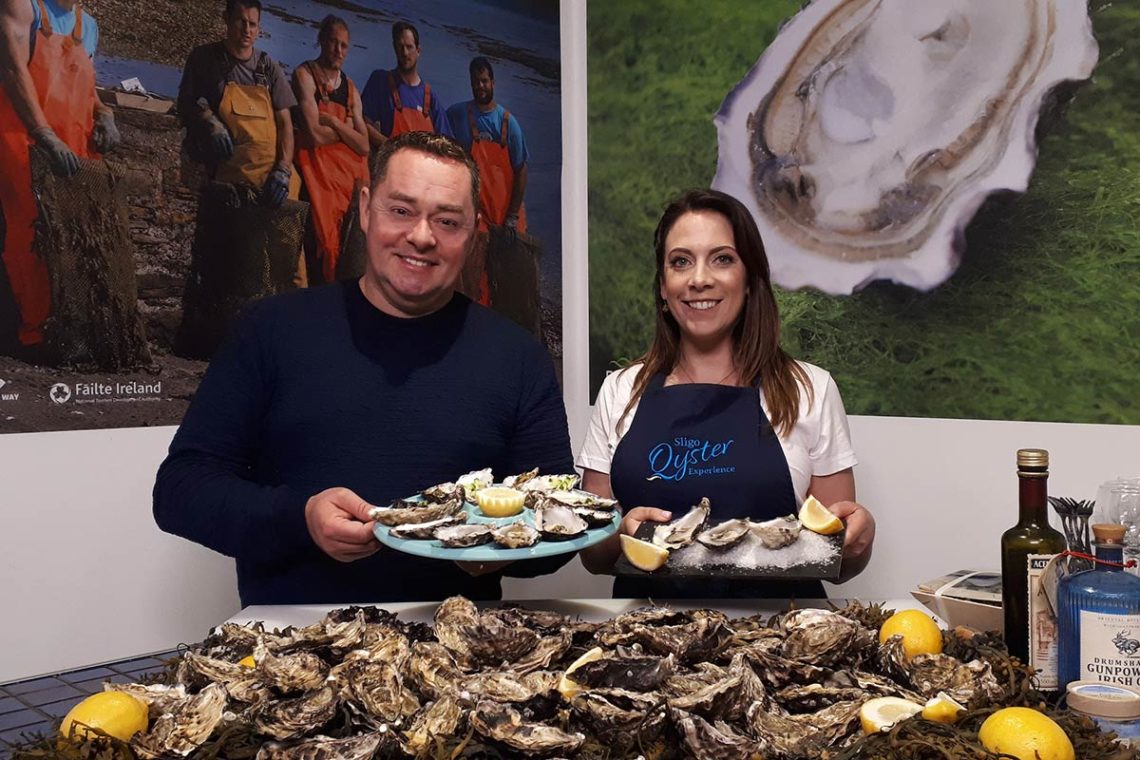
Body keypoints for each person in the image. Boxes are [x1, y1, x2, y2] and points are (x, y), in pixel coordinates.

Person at [153, 132, 573, 606]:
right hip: (295, 644)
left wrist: (497, 552)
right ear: (367, 206)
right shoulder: (270, 330)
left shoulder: (518, 357)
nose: (421, 235)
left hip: (456, 651)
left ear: (474, 233)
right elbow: (180, 491)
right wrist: (301, 517)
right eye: (401, 210)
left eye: (447, 221)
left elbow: (560, 524)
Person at [577, 189, 875, 599]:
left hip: (779, 642)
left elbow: (837, 559)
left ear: (750, 279)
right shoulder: (619, 391)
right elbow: (592, 557)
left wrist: (861, 537)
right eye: (681, 262)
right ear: (663, 287)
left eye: (722, 259)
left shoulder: (810, 389)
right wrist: (620, 538)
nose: (700, 279)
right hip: (647, 642)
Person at [0, 0, 121, 359]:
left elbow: (87, 85)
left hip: (72, 156)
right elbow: (13, 70)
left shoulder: (89, 27)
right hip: (22, 144)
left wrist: (105, 113)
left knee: (72, 240)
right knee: (26, 234)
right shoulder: (22, 7)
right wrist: (44, 134)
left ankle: (63, 329)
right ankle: (27, 335)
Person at [177, 0, 298, 210]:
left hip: (270, 182)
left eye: (253, 24)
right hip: (228, 180)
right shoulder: (205, 58)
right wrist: (209, 121)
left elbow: (285, 124)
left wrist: (284, 170)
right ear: (226, 20)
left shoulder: (268, 68)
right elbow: (185, 102)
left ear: (259, 28)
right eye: (241, 22)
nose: (247, 30)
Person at [291, 14, 368, 284]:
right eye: (333, 42)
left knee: (350, 251)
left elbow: (365, 145)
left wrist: (336, 124)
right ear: (321, 41)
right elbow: (313, 135)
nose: (338, 50)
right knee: (320, 247)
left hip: (348, 184)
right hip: (316, 176)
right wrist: (347, 131)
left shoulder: (351, 89)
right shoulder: (305, 75)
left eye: (344, 45)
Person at [445, 57, 528, 234]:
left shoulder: (508, 123)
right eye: (476, 82)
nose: (480, 86)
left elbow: (522, 170)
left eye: (484, 81)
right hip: (476, 215)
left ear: (493, 83)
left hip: (506, 218)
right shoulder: (456, 114)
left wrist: (512, 217)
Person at [360, 21, 451, 147]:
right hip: (388, 163)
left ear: (418, 50)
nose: (405, 53)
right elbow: (363, 123)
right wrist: (390, 148)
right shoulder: (380, 80)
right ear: (394, 48)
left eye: (409, 47)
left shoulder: (430, 97)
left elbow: (446, 143)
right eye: (400, 46)